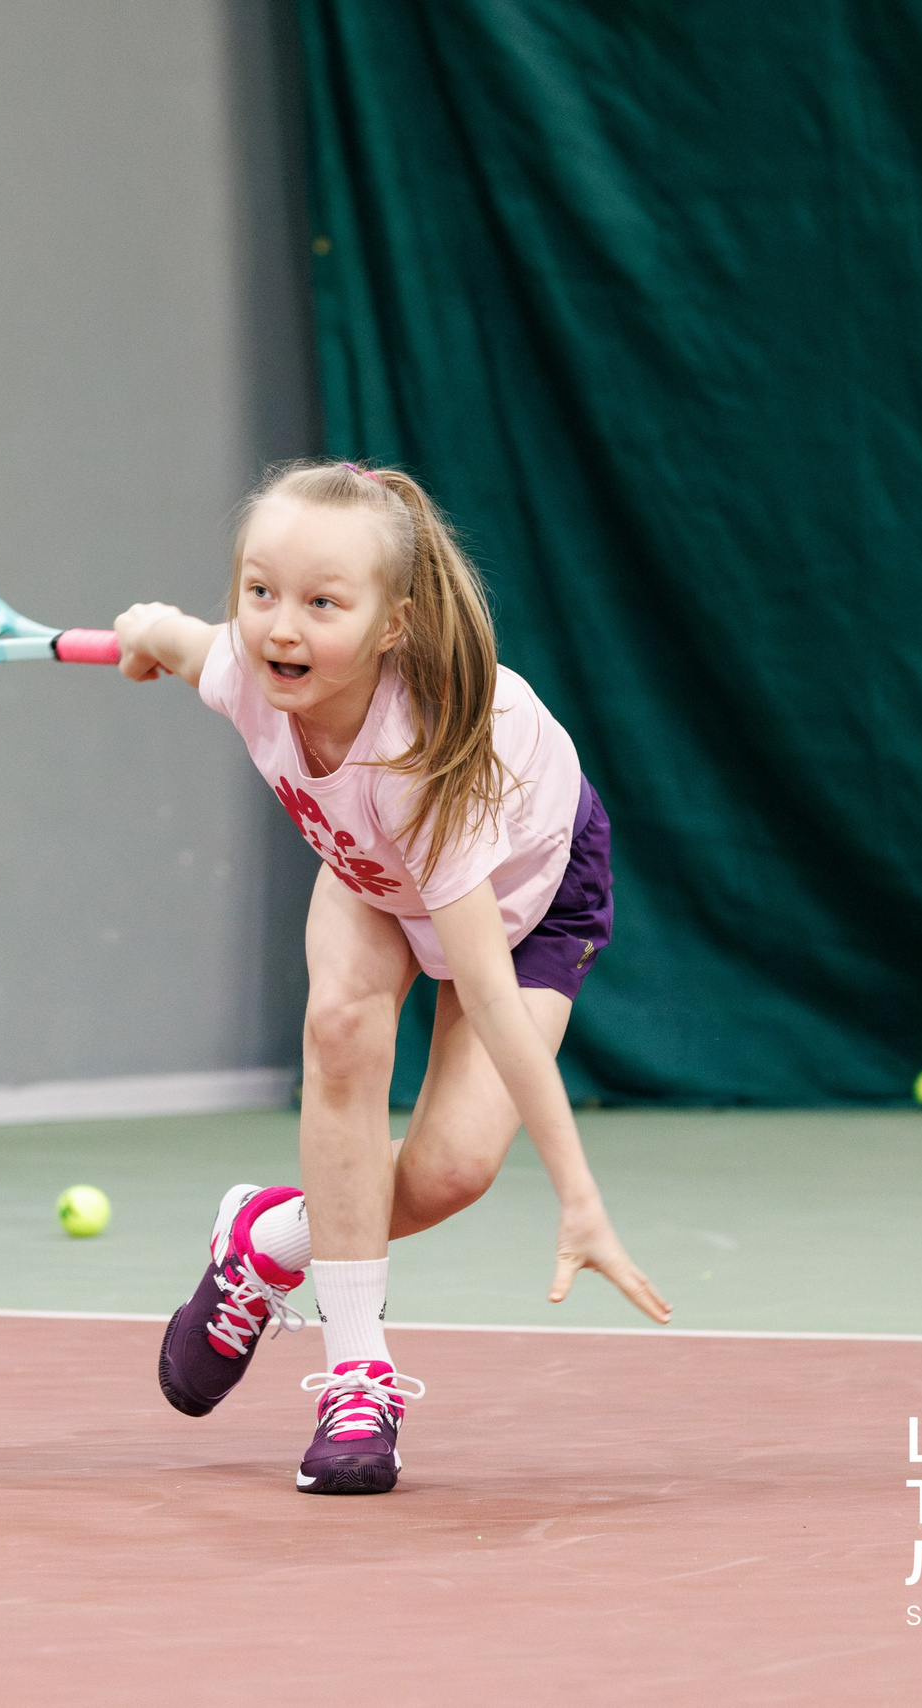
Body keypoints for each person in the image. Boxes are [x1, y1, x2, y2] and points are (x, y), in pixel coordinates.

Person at [111, 459, 670, 1496]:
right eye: (262, 591)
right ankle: (354, 1377)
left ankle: (267, 1238)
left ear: (391, 626)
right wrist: (148, 630)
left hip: (524, 902)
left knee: (453, 1169)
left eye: (324, 603)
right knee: (340, 1026)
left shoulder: (422, 767)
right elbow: (183, 641)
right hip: (370, 875)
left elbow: (491, 1000)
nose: (283, 626)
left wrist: (579, 1195)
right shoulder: (247, 670)